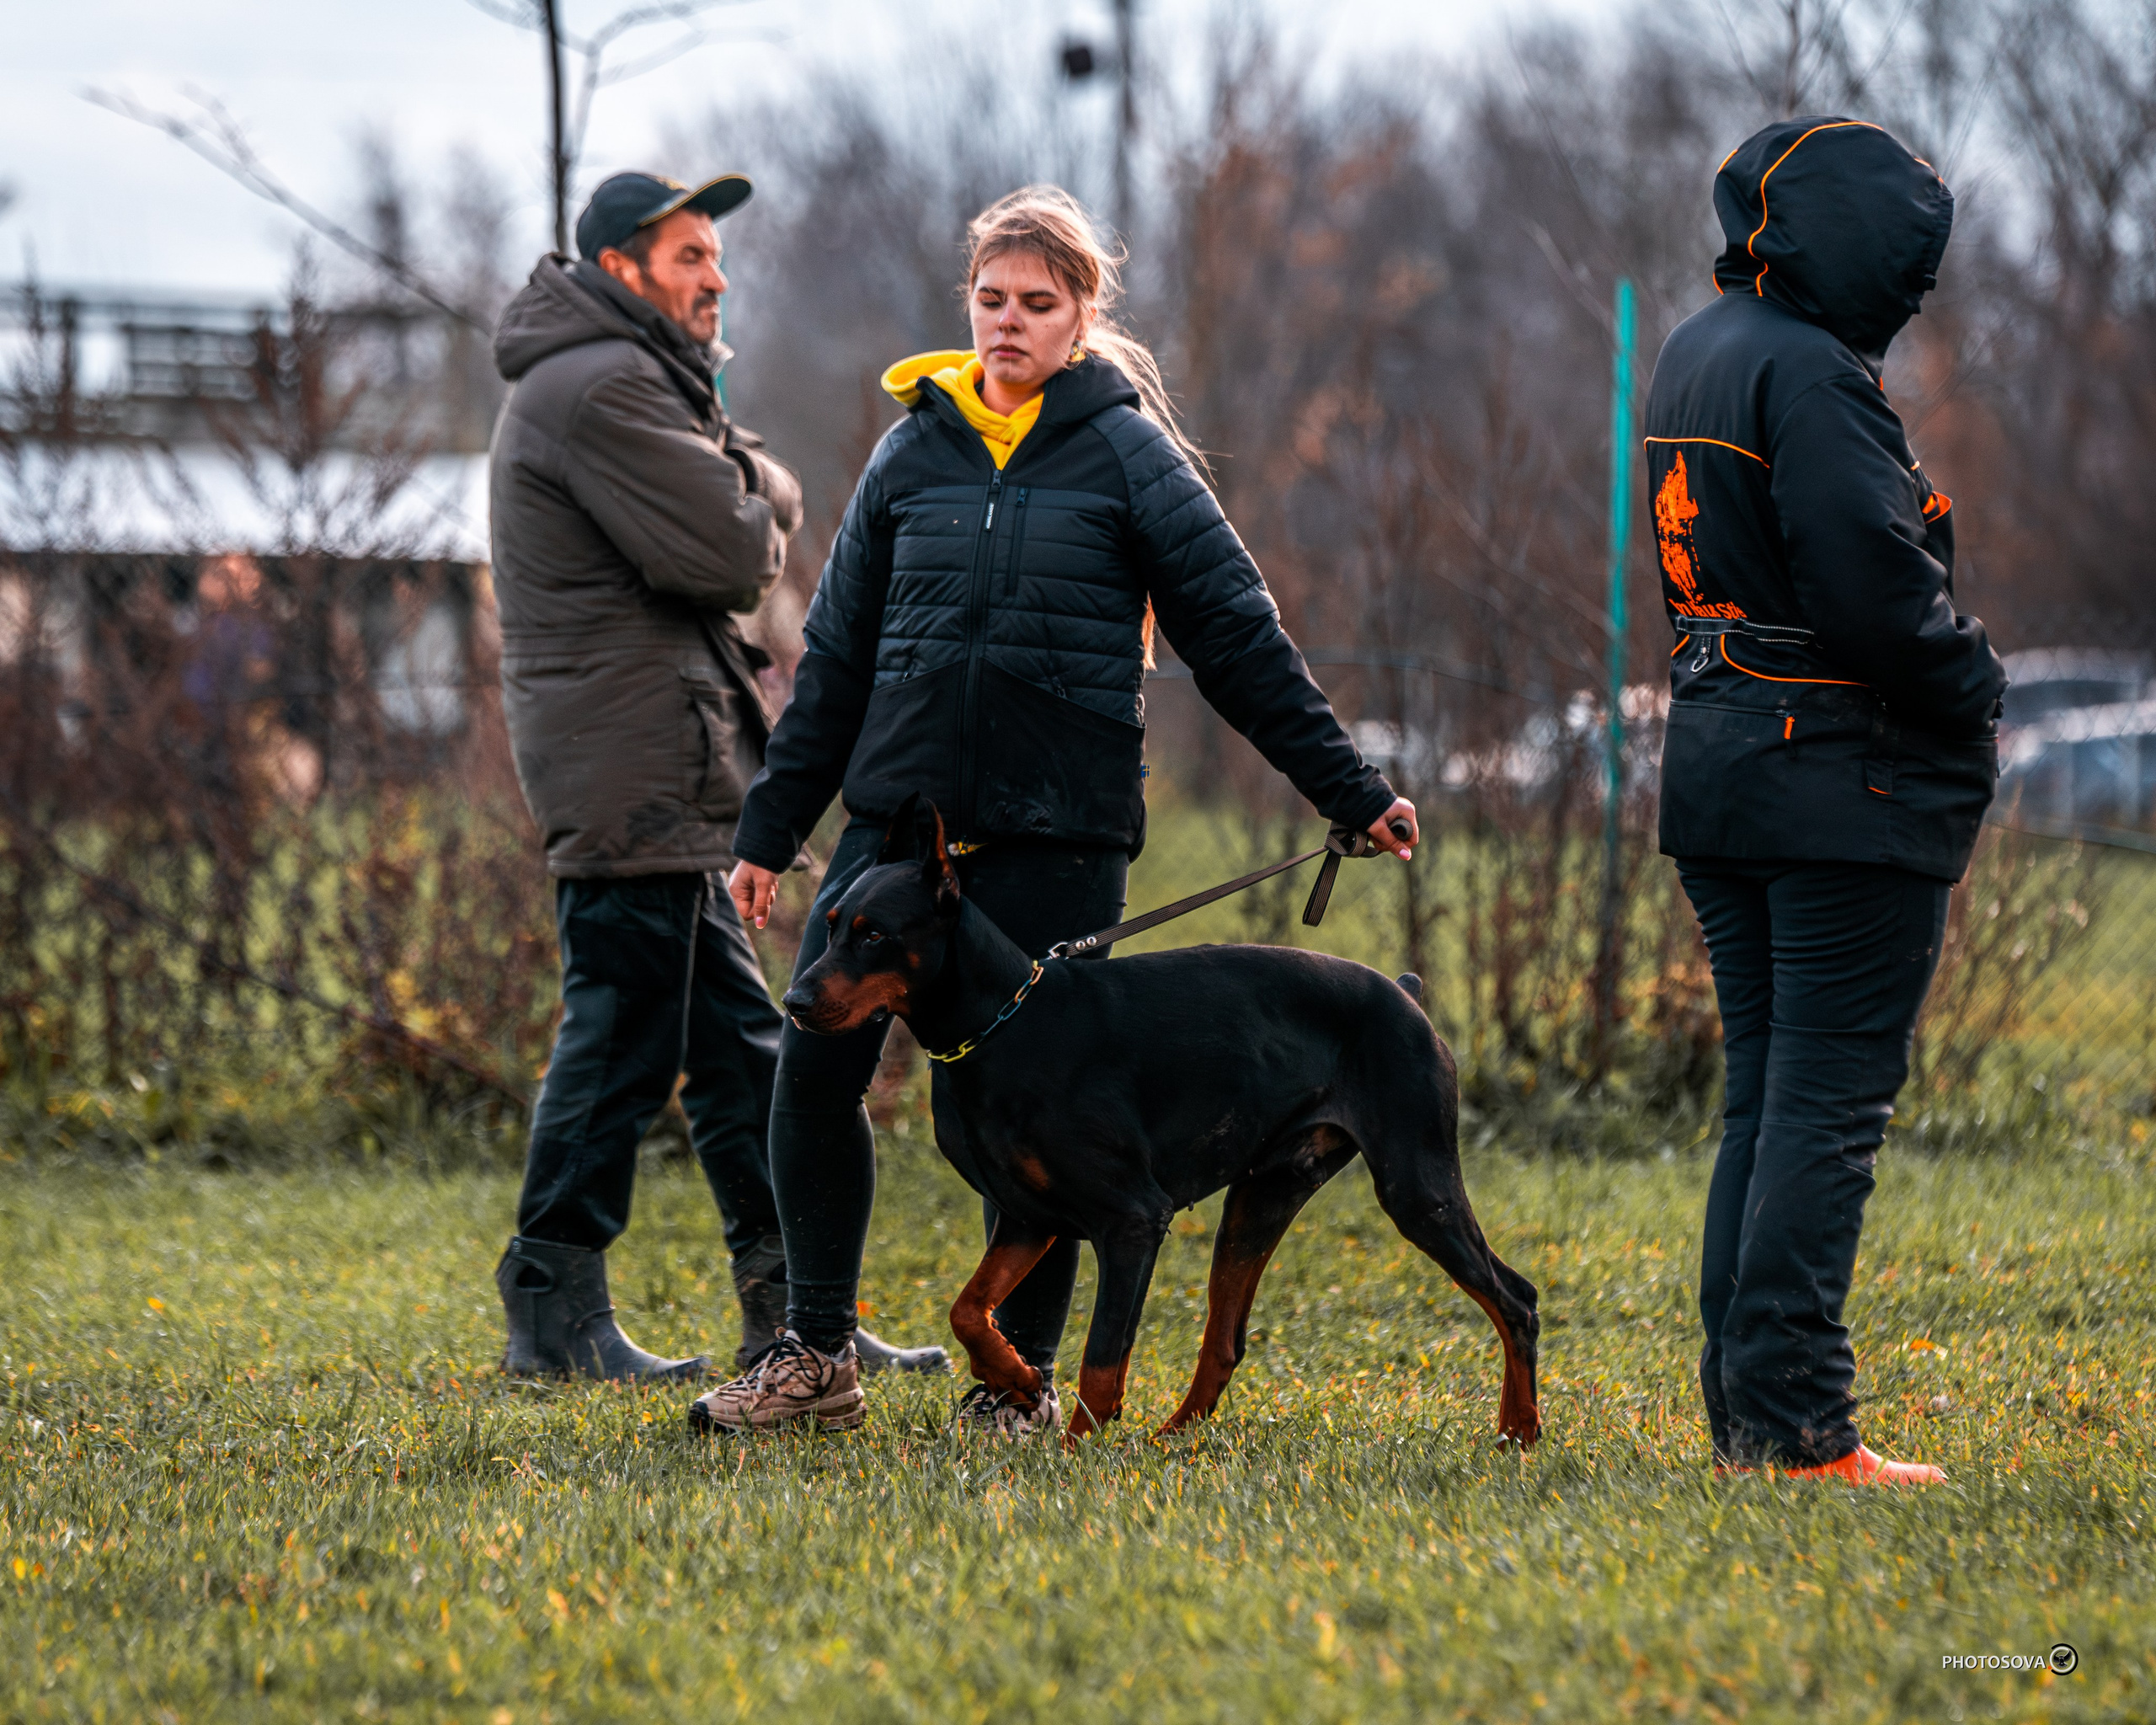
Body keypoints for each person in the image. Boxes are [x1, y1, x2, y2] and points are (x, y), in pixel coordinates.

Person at [691, 185, 1417, 1436]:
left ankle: (1013, 1390)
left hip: (1056, 835)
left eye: (1038, 304)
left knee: (1052, 1117)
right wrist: (769, 831)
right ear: (966, 304)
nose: (1008, 324)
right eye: (991, 301)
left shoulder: (1131, 455)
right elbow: (839, 660)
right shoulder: (909, 449)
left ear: (1082, 318)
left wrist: (1346, 788)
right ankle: (815, 1357)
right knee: (814, 1072)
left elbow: (1238, 639)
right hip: (895, 843)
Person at [487, 169, 947, 1382]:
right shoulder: (596, 389)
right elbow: (737, 545)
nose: (717, 275)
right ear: (621, 267)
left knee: (746, 1052)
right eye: (691, 255)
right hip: (628, 765)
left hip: (667, 757)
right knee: (624, 1036)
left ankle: (799, 1314)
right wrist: (766, 481)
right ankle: (551, 1308)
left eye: (715, 255)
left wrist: (741, 470)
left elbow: (729, 507)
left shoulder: (641, 380)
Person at [1646, 119, 2005, 1482]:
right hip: (1838, 780)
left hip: (1722, 768)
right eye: (1907, 265)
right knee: (1825, 1109)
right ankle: (1798, 1427)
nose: (1914, 294)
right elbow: (1873, 594)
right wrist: (1976, 678)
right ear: (1853, 243)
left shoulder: (1700, 348)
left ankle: (1749, 1417)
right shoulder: (1814, 378)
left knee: (1764, 1102)